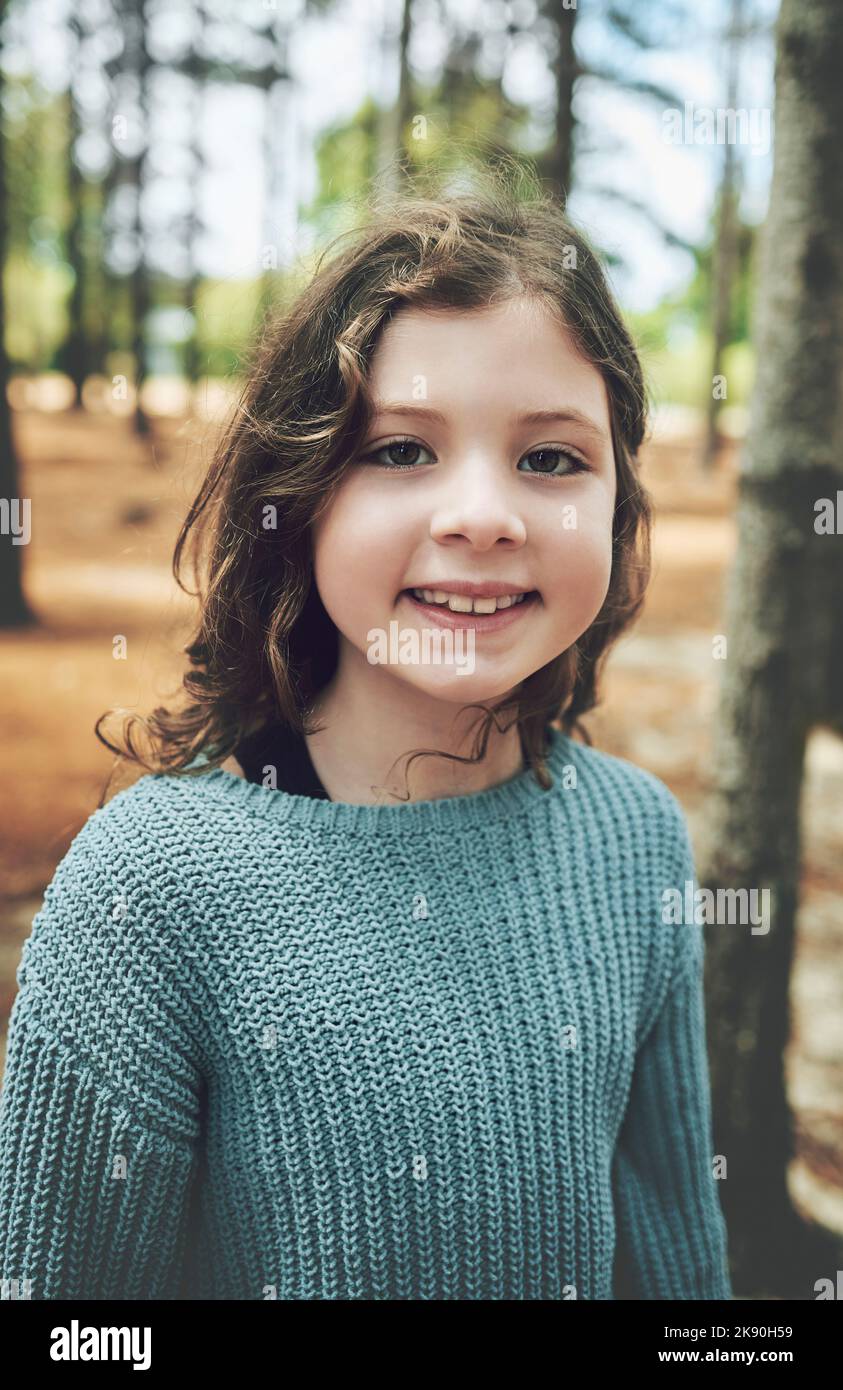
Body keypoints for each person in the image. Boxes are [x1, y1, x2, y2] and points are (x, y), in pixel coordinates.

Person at [0, 172, 732, 1301]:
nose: (483, 514)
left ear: (620, 503)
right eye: (399, 450)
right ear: (295, 493)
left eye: (552, 458)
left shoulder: (636, 842)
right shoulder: (150, 893)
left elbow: (682, 1278)